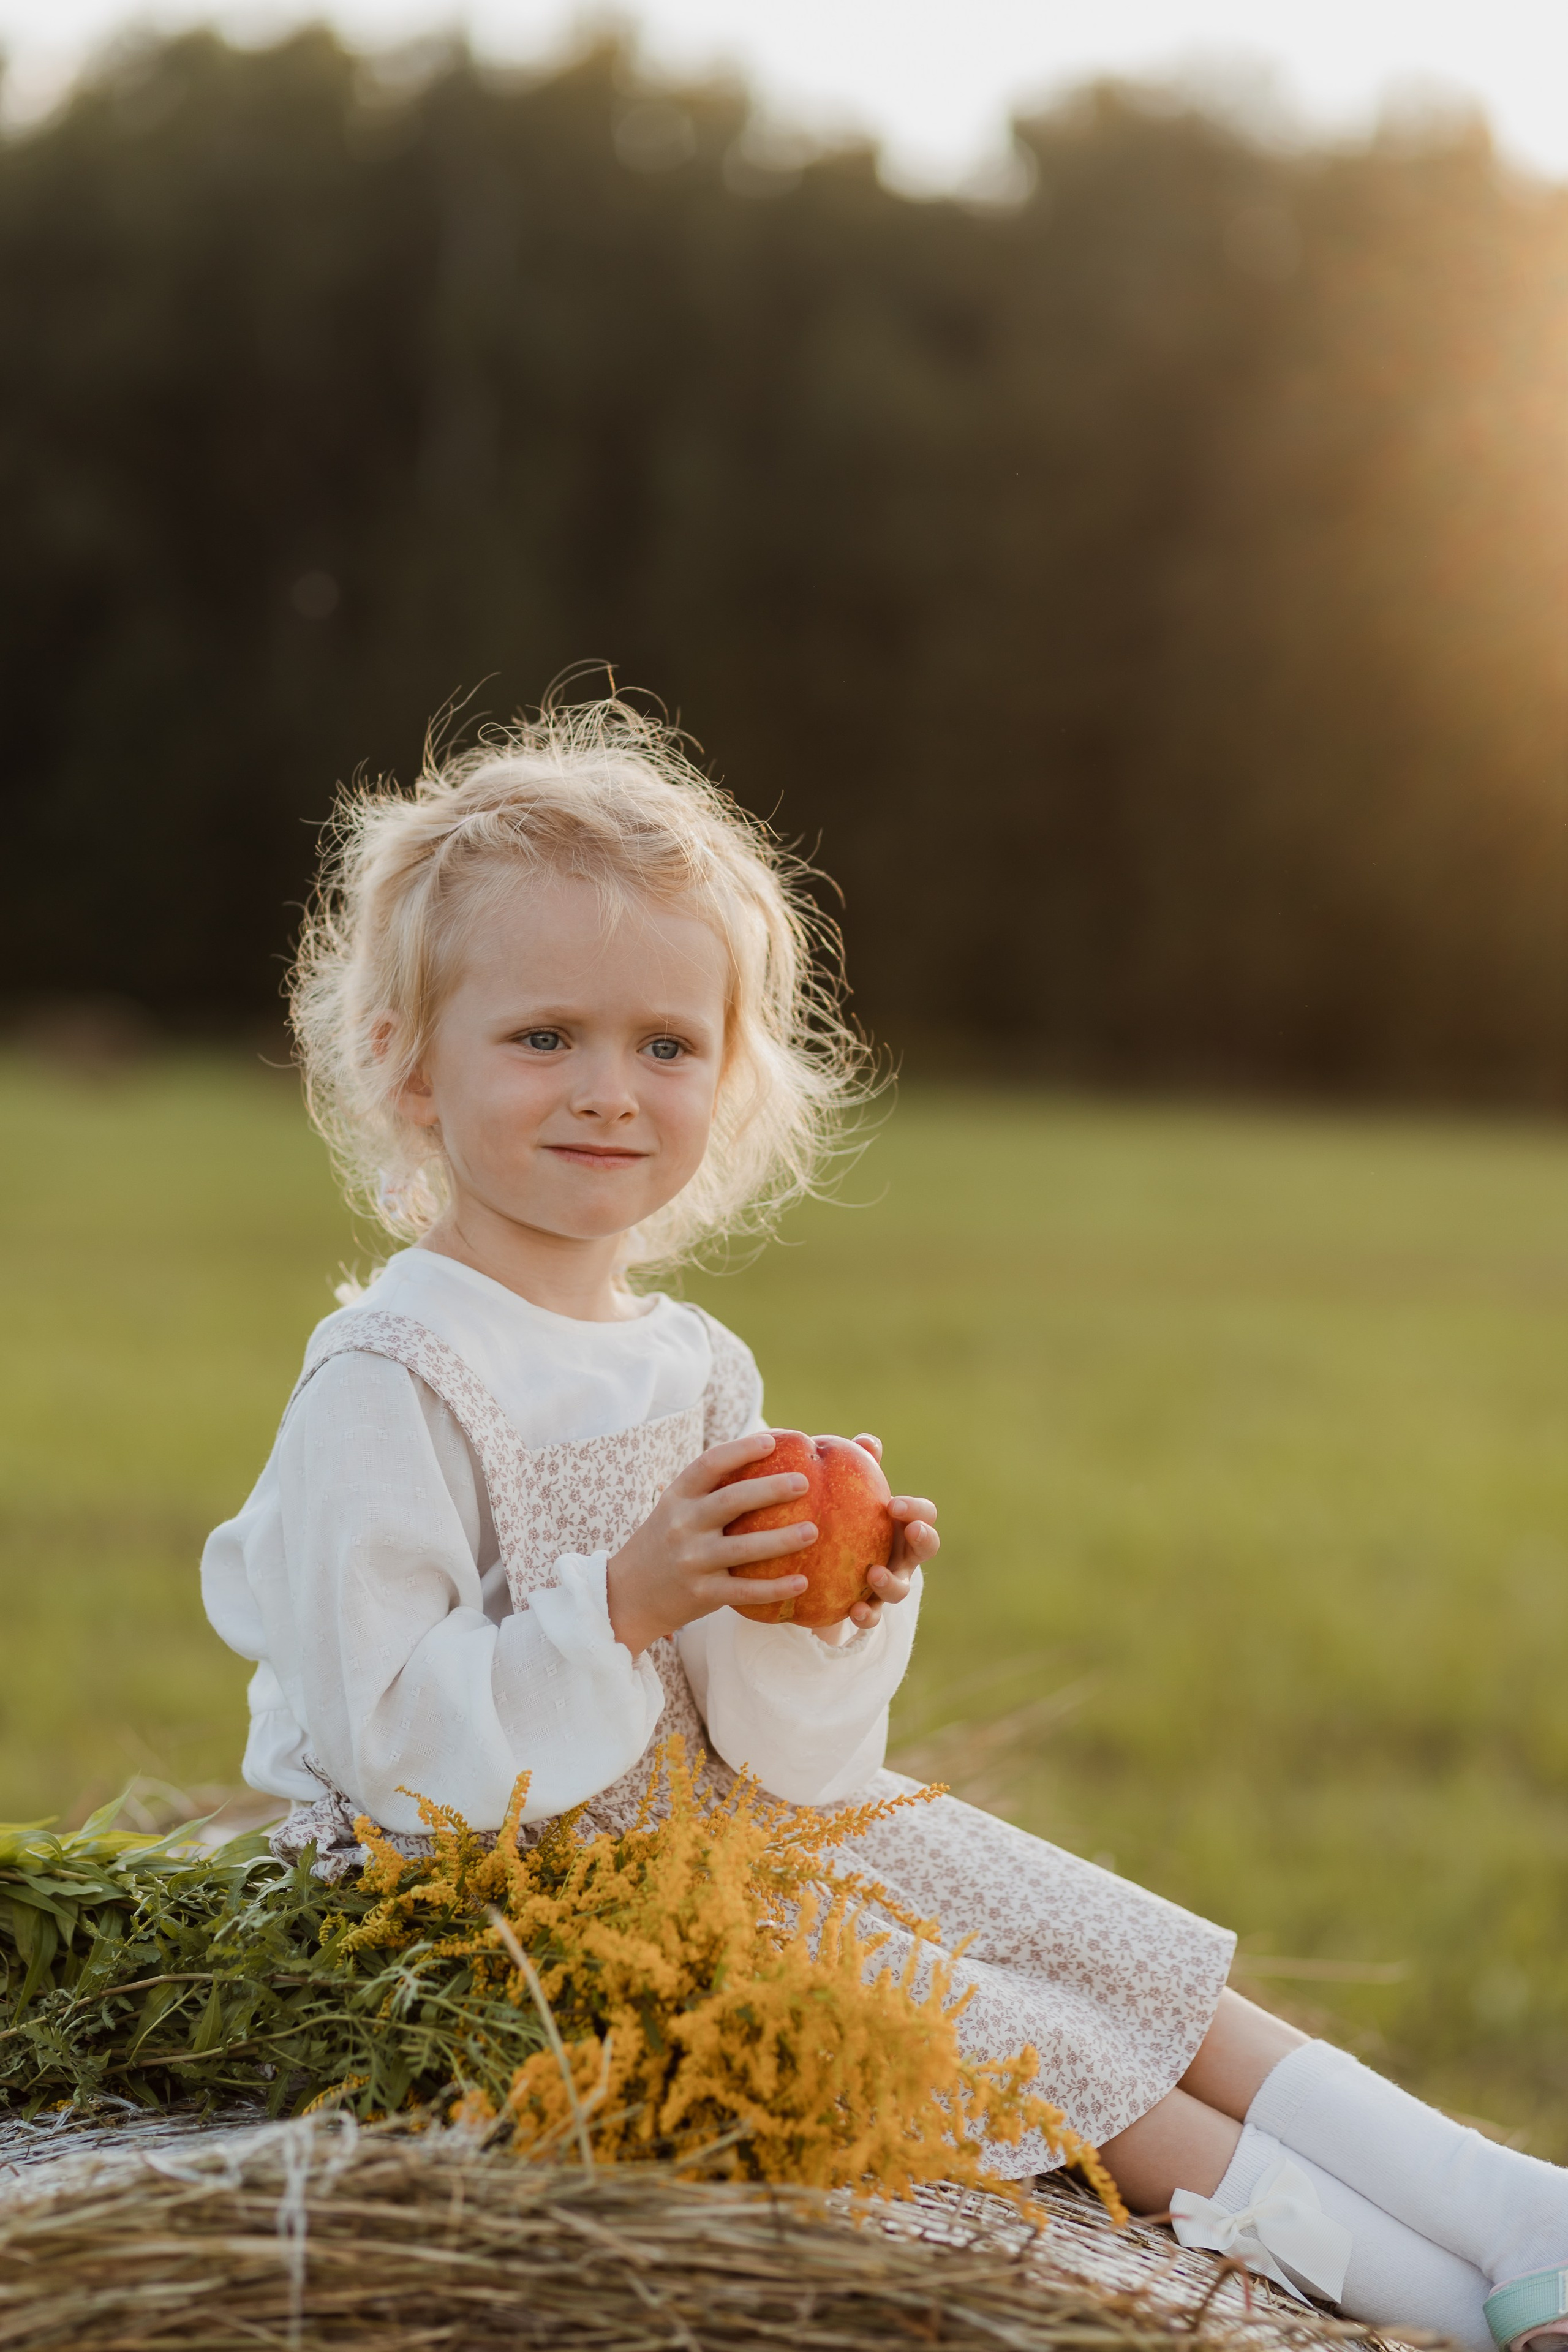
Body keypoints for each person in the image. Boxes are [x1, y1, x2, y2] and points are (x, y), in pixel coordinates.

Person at [203, 700, 1567, 2352]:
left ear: (730, 1071)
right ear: (405, 1063)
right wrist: (619, 1607)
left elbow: (786, 1756)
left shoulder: (692, 1362)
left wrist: (822, 1616)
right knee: (1049, 2055)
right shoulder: (391, 1377)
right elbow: (392, 1754)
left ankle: (1510, 2203)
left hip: (730, 1838)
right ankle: (1442, 2314)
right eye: (544, 1036)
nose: (610, 1093)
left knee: (1125, 1962)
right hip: (518, 1905)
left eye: (666, 1045)